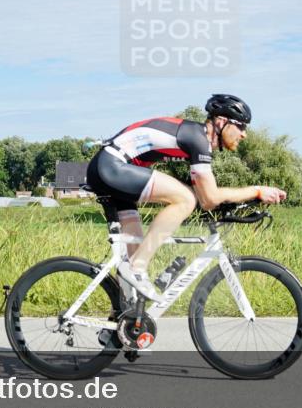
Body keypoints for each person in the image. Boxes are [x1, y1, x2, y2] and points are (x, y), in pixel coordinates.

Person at [85, 94, 287, 301]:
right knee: (185, 200)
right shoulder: (197, 139)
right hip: (112, 166)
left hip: (110, 168)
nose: (244, 134)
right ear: (221, 122)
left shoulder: (194, 138)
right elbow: (209, 198)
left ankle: (122, 320)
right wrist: (256, 190)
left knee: (132, 265)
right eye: (241, 126)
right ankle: (138, 267)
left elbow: (207, 196)